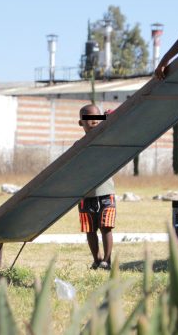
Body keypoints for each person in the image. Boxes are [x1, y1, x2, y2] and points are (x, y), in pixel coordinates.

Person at [77, 104, 116, 270]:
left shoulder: (106, 138)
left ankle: (107, 260)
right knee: (90, 229)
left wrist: (109, 118)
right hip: (85, 195)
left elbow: (118, 122)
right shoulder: (78, 145)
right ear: (81, 123)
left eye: (96, 117)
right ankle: (97, 259)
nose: (92, 120)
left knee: (106, 228)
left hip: (106, 193)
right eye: (87, 118)